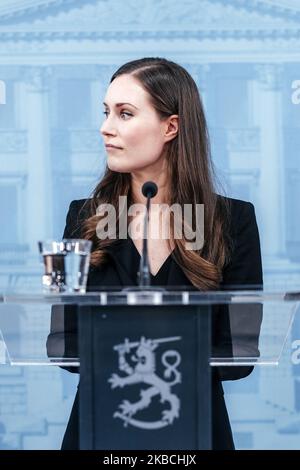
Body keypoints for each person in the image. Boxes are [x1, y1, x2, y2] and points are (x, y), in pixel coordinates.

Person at [47, 57, 263, 450]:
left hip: (198, 435)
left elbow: (240, 355)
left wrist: (130, 348)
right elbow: (62, 343)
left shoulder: (232, 220)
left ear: (171, 127)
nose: (105, 128)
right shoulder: (85, 217)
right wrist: (166, 348)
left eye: (124, 114)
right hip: (98, 433)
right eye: (106, 112)